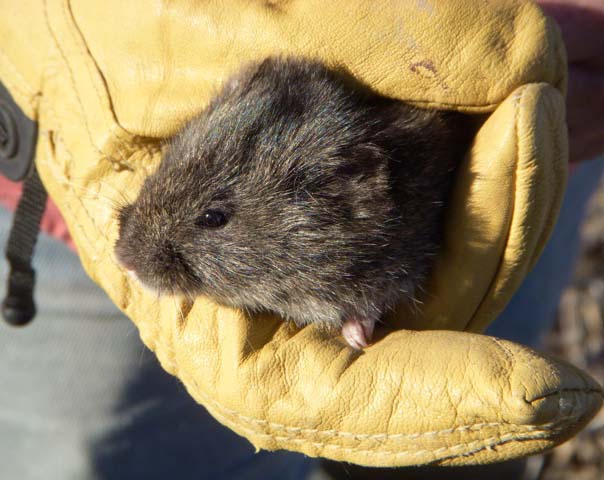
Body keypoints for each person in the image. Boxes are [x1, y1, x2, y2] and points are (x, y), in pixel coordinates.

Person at [1, 1, 602, 479]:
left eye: (213, 221)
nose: (137, 253)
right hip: (69, 141)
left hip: (537, 102)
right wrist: (48, 34)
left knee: (445, 432)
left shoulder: (358, 195)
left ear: (350, 198)